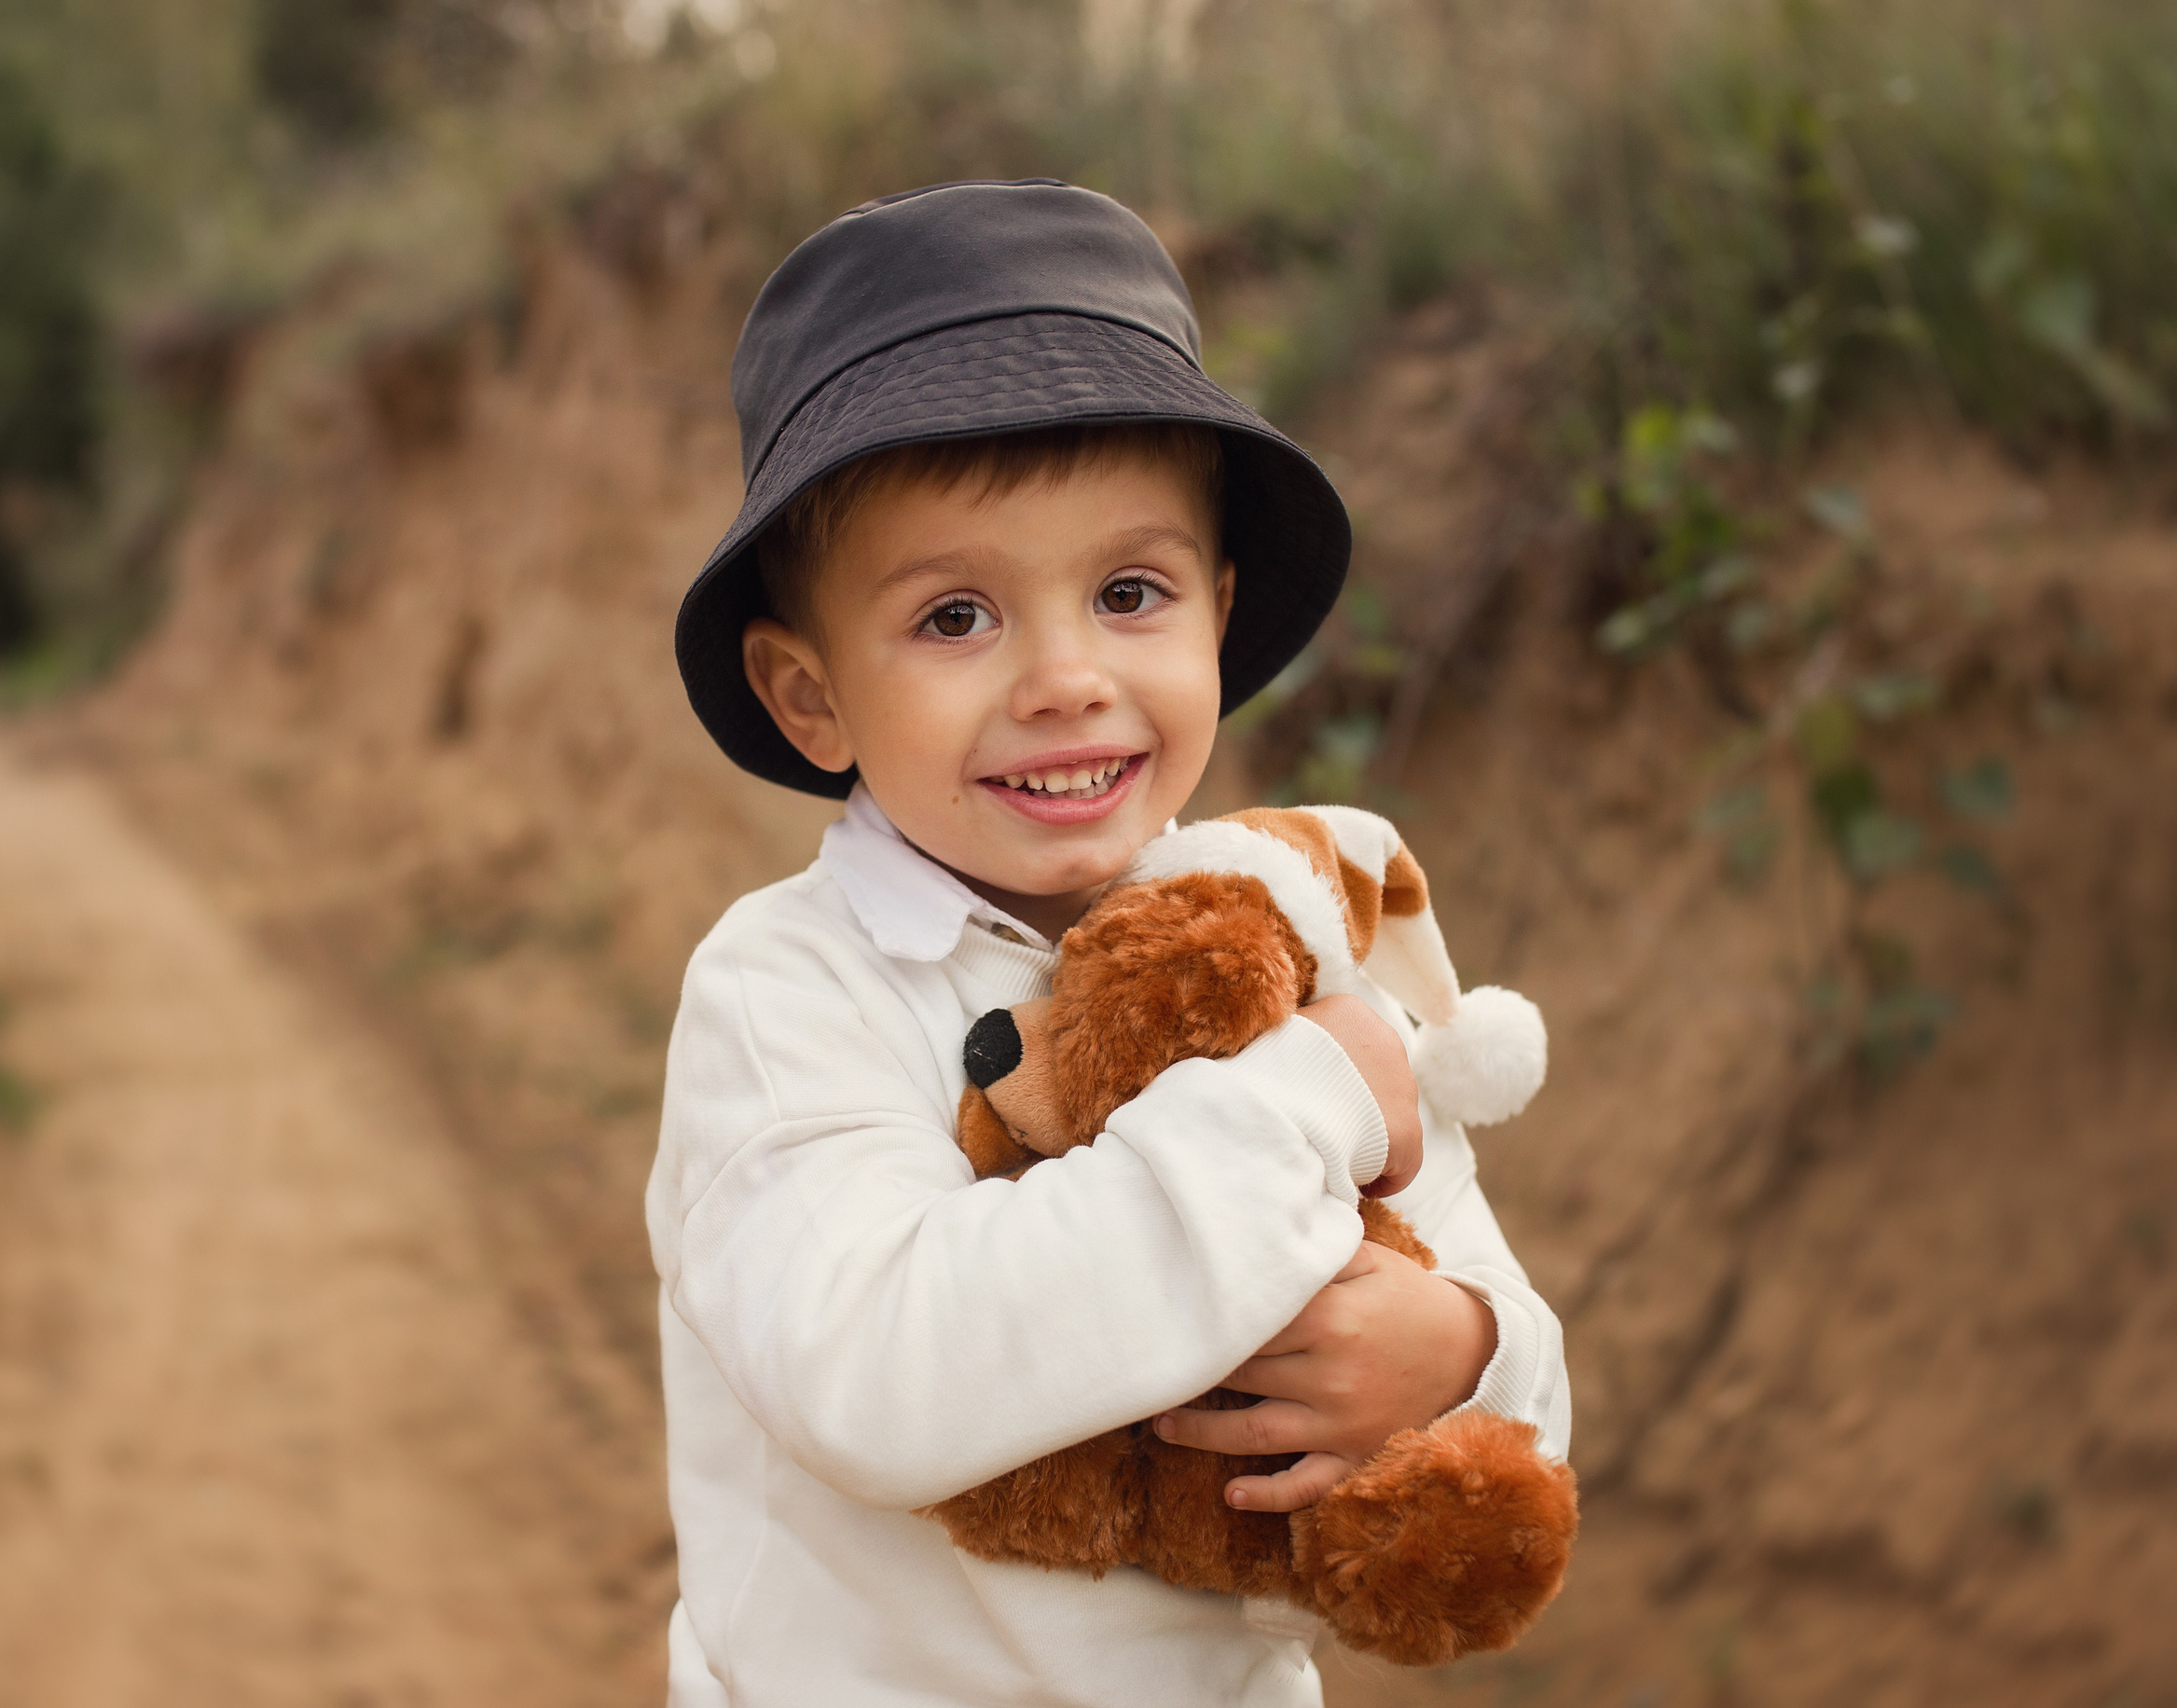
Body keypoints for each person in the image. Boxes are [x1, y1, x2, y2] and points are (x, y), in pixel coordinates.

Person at [649, 179, 1569, 1707]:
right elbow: (880, 1374)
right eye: (956, 618)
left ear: (1217, 613)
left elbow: (1516, 1381)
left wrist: (1460, 1355)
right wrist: (1296, 1102)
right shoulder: (787, 990)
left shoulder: (1291, 942)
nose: (1067, 677)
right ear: (809, 697)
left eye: (1129, 593)